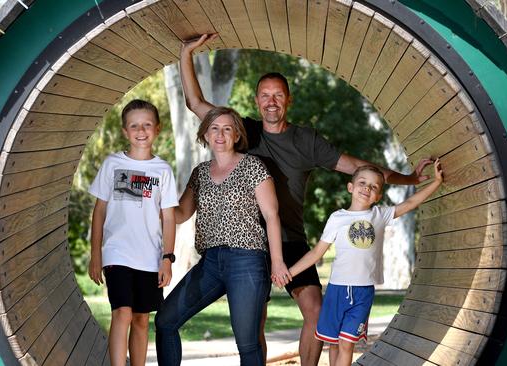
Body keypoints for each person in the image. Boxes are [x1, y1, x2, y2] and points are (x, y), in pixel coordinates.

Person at [180, 34, 433, 365]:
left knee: (315, 312)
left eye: (278, 96)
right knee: (254, 325)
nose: (272, 101)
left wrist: (409, 178)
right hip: (251, 244)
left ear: (289, 100)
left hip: (292, 240)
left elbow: (359, 167)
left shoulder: (306, 140)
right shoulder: (243, 131)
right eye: (265, 96)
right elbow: (195, 103)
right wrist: (186, 53)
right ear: (257, 101)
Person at [154, 106, 291, 366]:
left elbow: (272, 216)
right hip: (210, 263)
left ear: (237, 135)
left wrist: (277, 261)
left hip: (247, 261)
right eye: (214, 128)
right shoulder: (200, 173)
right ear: (205, 134)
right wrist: (155, 201)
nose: (220, 134)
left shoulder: (253, 166)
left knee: (247, 342)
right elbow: (181, 213)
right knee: (165, 320)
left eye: (227, 128)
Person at [286, 161, 443, 366]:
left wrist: (437, 182)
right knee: (334, 343)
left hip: (362, 293)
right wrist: (289, 273)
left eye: (374, 187)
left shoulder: (379, 215)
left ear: (378, 196)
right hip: (337, 291)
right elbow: (316, 253)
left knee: (346, 344)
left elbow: (410, 203)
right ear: (350, 187)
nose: (367, 188)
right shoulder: (337, 218)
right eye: (362, 183)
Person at [88, 99, 178, 366]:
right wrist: (96, 254)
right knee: (122, 313)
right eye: (134, 126)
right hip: (117, 254)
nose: (141, 131)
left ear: (157, 129)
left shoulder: (162, 170)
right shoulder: (112, 164)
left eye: (147, 125)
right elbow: (99, 212)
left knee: (141, 319)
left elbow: (169, 217)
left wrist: (167, 258)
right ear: (125, 131)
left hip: (149, 257)